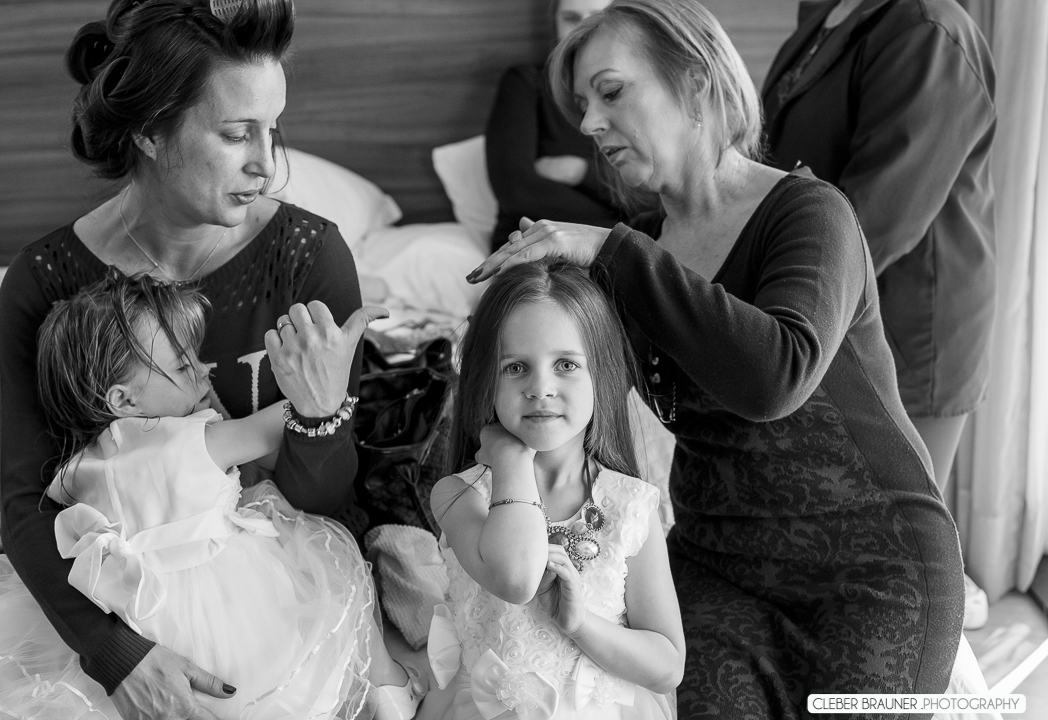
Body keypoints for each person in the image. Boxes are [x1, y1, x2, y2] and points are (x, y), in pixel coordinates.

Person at [466, 0, 964, 717]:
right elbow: (561, 393)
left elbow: (773, 378)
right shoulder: (635, 249)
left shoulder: (809, 213)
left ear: (694, 82)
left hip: (871, 570)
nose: (590, 123)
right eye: (582, 106)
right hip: (719, 569)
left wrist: (612, 249)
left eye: (610, 92)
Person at [0, 0, 375, 717]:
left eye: (273, 129)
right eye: (235, 134)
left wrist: (321, 417)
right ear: (149, 130)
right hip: (105, 602)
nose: (266, 165)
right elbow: (27, 502)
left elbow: (322, 505)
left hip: (273, 598)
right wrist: (119, 659)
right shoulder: (45, 282)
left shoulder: (309, 258)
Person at [0, 274, 423, 720]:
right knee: (331, 570)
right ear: (124, 400)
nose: (205, 370)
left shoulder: (77, 470)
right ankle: (390, 689)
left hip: (146, 634)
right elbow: (294, 418)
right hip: (233, 626)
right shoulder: (191, 440)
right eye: (184, 367)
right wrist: (330, 380)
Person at [759, 0, 995, 627]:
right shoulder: (823, 14)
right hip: (826, 302)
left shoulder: (929, 30)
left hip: (905, 314)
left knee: (902, 551)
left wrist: (771, 293)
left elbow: (880, 213)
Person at [421, 259, 682, 720]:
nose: (540, 387)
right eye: (515, 367)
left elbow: (667, 667)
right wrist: (511, 460)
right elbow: (516, 579)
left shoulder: (630, 506)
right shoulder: (459, 496)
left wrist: (581, 624)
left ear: (601, 375)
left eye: (566, 364)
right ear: (485, 380)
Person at [485, 0, 627, 251]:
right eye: (571, 18)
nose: (582, 29)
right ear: (554, 24)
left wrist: (579, 171)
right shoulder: (525, 83)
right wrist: (618, 228)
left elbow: (643, 192)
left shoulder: (631, 91)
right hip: (529, 242)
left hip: (614, 247)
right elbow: (516, 190)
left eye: (595, 19)